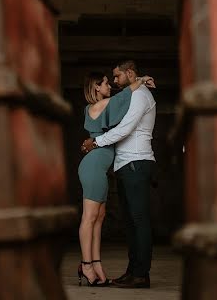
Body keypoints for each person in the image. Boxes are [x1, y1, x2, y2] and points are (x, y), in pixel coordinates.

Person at [81, 59, 157, 289]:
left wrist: (96, 142)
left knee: (139, 220)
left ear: (130, 73)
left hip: (136, 162)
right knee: (129, 222)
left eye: (117, 76)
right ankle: (132, 271)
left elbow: (125, 128)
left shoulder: (141, 96)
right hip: (124, 165)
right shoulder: (127, 97)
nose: (114, 81)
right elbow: (117, 107)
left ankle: (141, 273)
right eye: (109, 79)